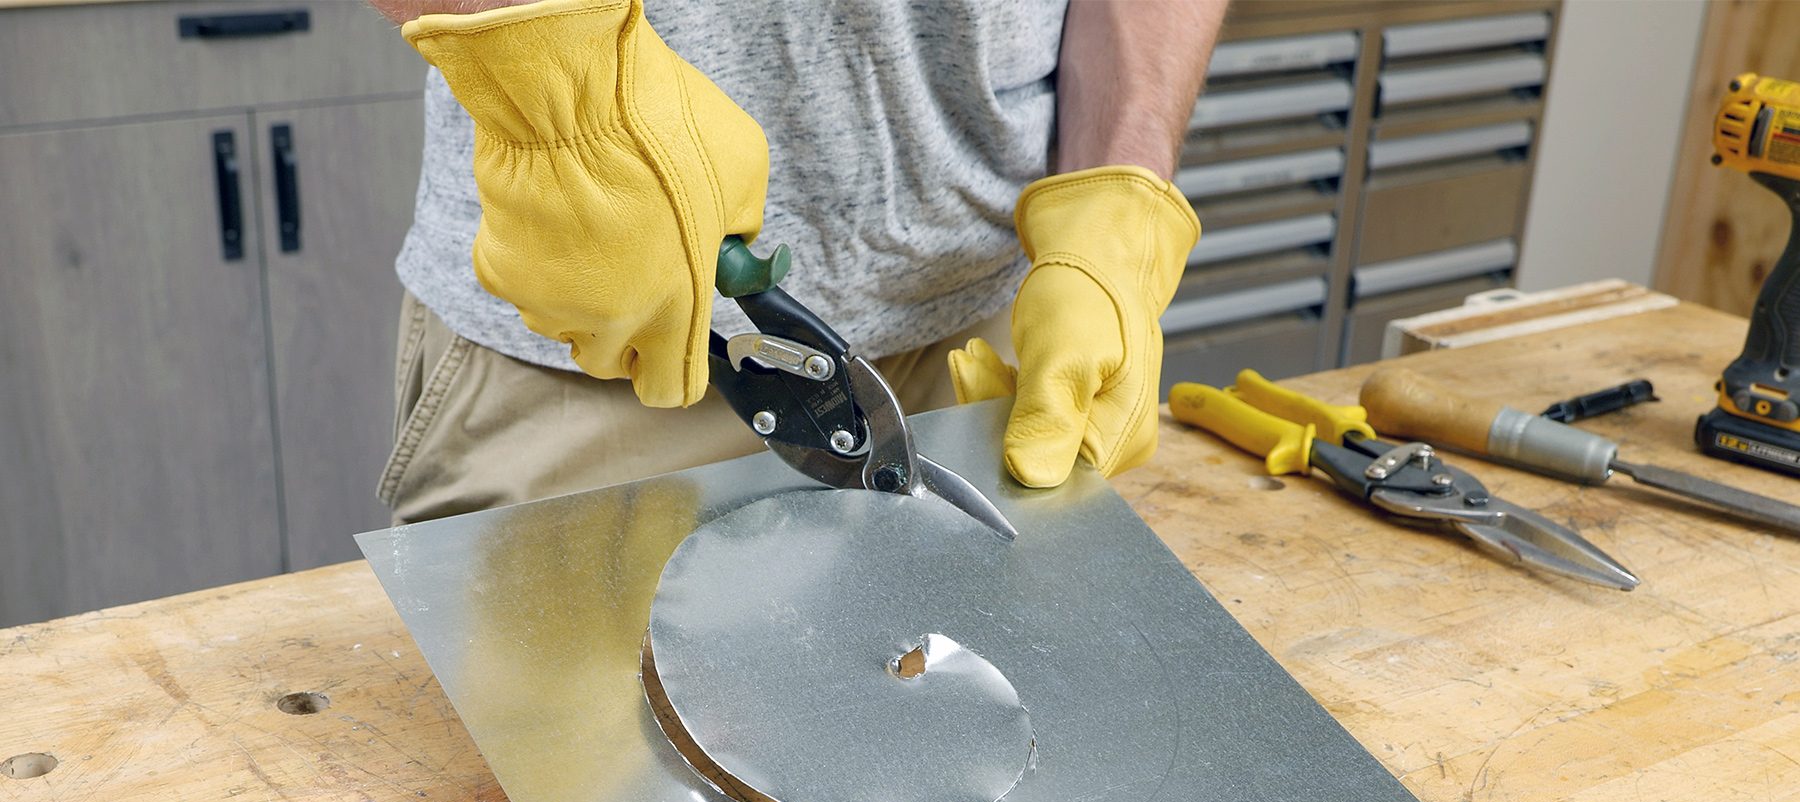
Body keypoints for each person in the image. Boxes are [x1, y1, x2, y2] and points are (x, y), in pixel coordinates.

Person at [368, 0, 1227, 524]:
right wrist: (559, 93)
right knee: (542, 800)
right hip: (597, 335)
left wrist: (1118, 182)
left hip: (992, 343)